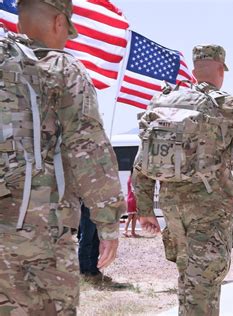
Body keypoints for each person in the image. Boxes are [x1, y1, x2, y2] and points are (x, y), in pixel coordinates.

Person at [0, 1, 125, 314]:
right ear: (59, 22)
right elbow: (89, 150)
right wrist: (108, 224)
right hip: (39, 234)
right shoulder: (61, 68)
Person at [132, 44, 233, 316]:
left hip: (172, 208)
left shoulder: (162, 101)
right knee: (204, 281)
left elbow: (143, 161)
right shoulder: (231, 107)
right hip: (210, 209)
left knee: (189, 274)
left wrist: (146, 208)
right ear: (221, 69)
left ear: (196, 70)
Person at [78, 202, 113, 283]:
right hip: (89, 206)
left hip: (100, 208)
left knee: (96, 241)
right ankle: (84, 272)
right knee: (86, 240)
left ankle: (94, 271)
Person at [124, 167, 140, 238]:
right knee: (134, 217)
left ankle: (127, 231)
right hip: (134, 199)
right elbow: (135, 190)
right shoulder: (135, 179)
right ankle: (131, 232)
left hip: (129, 199)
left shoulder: (129, 179)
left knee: (131, 216)